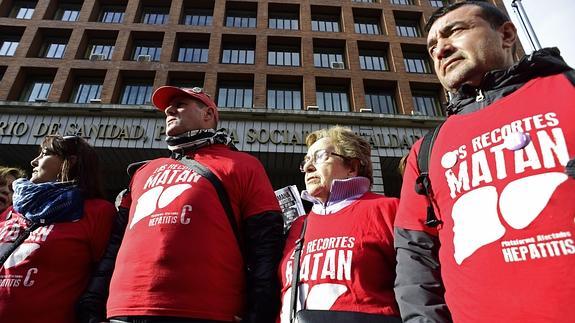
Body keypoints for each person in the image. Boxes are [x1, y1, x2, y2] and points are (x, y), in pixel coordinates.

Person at [394, 1, 575, 322]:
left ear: (506, 35)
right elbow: (416, 256)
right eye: (432, 46)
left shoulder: (569, 90)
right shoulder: (426, 150)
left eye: (455, 31)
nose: (440, 50)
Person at [78, 86, 285, 323]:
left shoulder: (243, 164)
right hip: (121, 311)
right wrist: (92, 302)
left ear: (207, 115)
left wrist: (259, 313)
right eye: (168, 106)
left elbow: (266, 245)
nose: (168, 109)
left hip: (203, 312)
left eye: (180, 104)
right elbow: (115, 243)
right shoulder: (143, 171)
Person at [278, 126, 401, 322]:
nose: (309, 167)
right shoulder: (298, 225)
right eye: (306, 161)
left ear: (351, 167)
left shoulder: (389, 210)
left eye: (319, 157)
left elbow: (419, 284)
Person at [0, 135, 115, 323]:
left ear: (69, 162)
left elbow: (103, 276)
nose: (34, 161)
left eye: (44, 154)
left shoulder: (98, 211)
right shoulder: (13, 210)